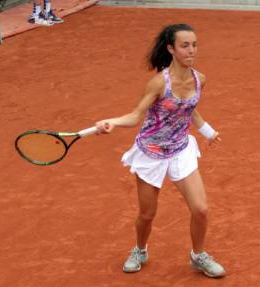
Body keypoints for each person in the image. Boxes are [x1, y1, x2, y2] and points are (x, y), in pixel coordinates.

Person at [95, 23, 226, 278]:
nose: (191, 50)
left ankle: (198, 256)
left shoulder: (200, 79)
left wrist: (208, 131)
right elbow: (135, 116)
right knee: (147, 214)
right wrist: (113, 122)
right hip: (150, 153)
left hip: (180, 149)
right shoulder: (158, 83)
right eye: (185, 45)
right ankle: (140, 249)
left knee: (200, 209)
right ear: (171, 49)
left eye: (194, 45)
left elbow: (188, 108)